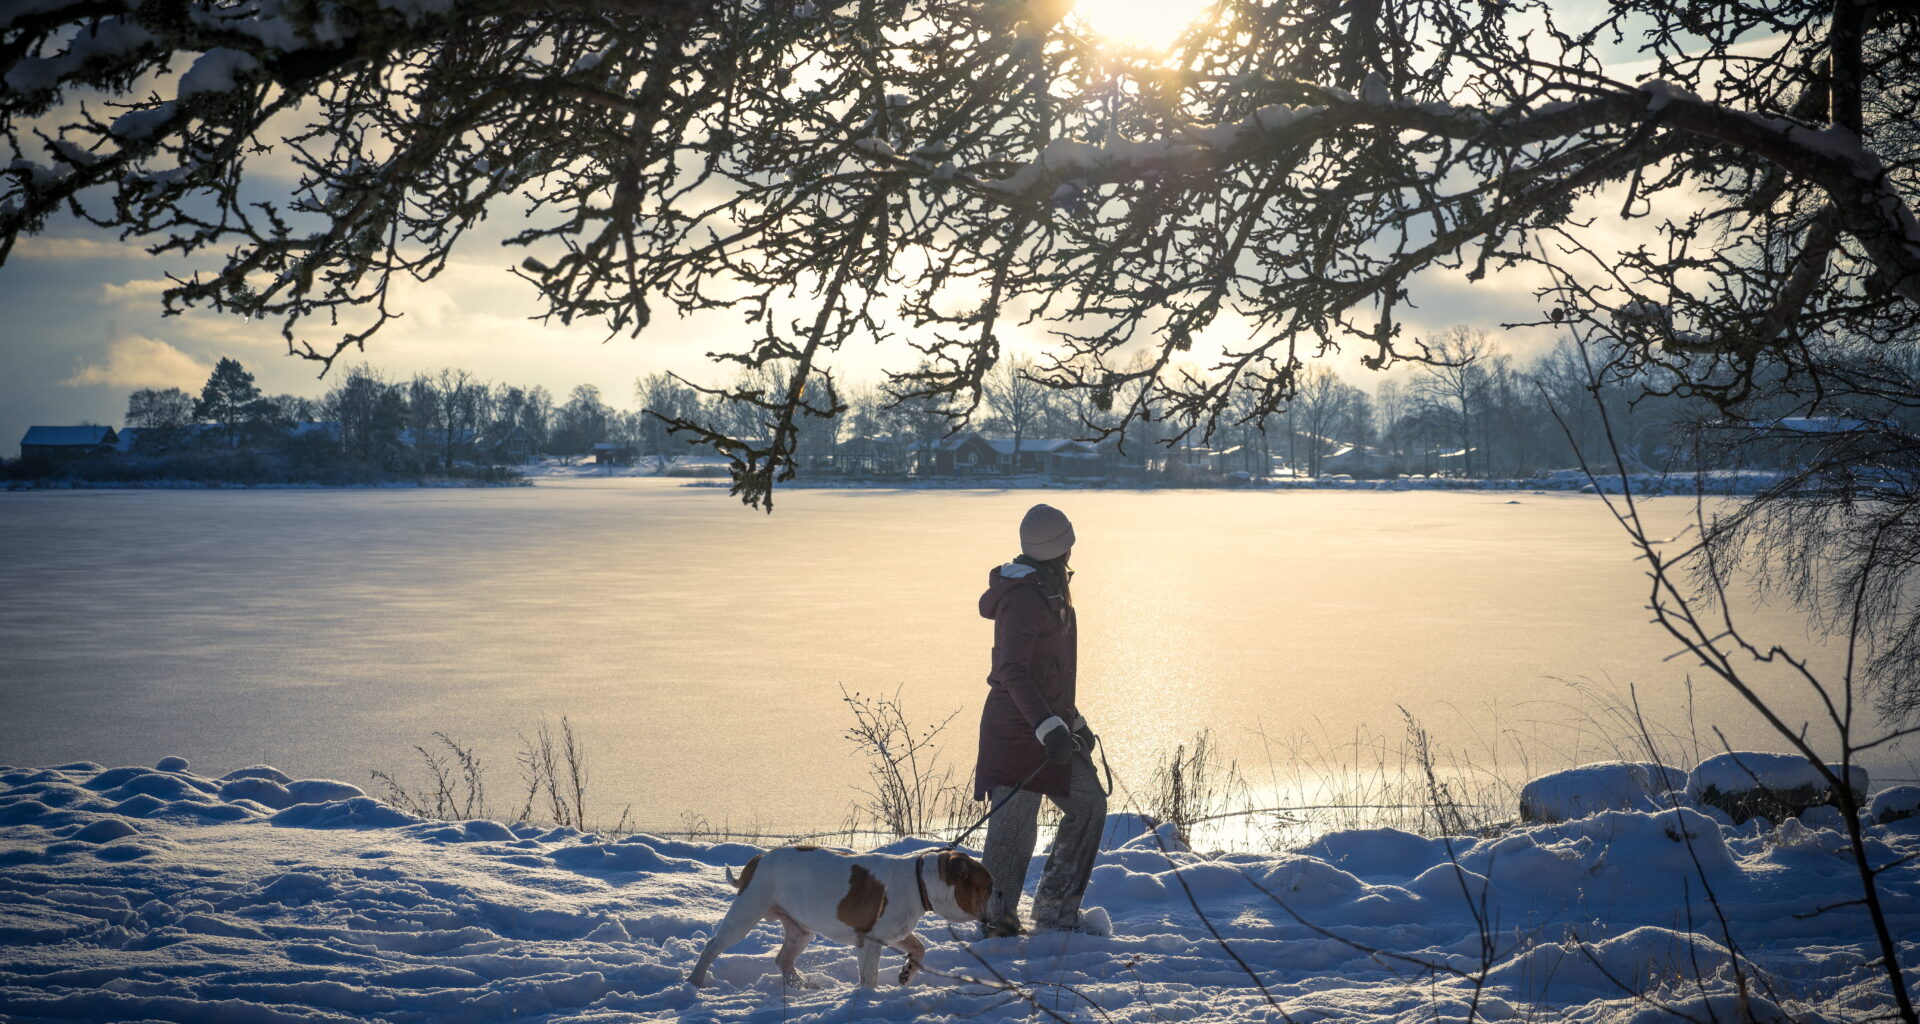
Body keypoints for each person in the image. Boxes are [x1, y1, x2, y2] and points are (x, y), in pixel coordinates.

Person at [973, 502, 1108, 937]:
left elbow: (1050, 673)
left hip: (1048, 725)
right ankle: (996, 925)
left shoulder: (1050, 589)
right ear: (1062, 547)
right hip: (1016, 732)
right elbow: (1013, 671)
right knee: (1013, 835)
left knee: (1089, 804)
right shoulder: (1024, 599)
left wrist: (1074, 720)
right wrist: (1048, 726)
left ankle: (1055, 911)